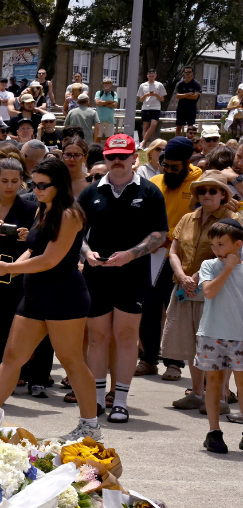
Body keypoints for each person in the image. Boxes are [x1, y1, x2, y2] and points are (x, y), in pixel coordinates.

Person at [0, 158, 102, 440]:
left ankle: (90, 426)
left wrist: (8, 269)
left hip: (65, 295)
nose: (35, 190)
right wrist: (1, 271)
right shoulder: (43, 208)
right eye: (33, 184)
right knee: (12, 358)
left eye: (42, 185)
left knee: (71, 361)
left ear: (59, 185)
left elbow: (50, 260)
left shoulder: (70, 214)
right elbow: (34, 251)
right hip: (35, 293)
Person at [79, 134, 170, 423]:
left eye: (123, 156)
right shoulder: (90, 192)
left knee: (126, 336)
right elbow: (76, 233)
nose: (117, 161)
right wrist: (87, 253)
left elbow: (159, 234)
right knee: (97, 338)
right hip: (97, 275)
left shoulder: (151, 192)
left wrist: (130, 254)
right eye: (111, 156)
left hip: (133, 275)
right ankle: (95, 399)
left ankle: (120, 400)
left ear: (135, 158)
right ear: (104, 158)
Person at [0, 157, 52, 391]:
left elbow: (40, 244)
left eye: (15, 181)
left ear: (22, 183)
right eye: (4, 180)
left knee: (13, 324)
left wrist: (27, 236)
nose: (9, 186)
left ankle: (22, 373)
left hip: (18, 272)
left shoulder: (32, 208)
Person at [159, 171, 237, 414]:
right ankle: (196, 393)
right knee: (192, 341)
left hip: (216, 291)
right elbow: (173, 250)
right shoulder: (187, 218)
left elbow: (231, 256)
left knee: (217, 342)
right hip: (185, 288)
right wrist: (182, 275)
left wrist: (195, 277)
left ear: (223, 194)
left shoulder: (233, 219)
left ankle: (222, 396)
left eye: (213, 190)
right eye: (201, 190)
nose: (206, 195)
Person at [140, 138, 205, 382]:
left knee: (174, 311)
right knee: (148, 307)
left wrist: (170, 242)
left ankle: (174, 363)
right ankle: (148, 359)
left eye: (173, 167)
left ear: (188, 163)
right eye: (164, 165)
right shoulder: (154, 182)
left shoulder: (200, 185)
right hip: (152, 256)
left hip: (183, 260)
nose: (167, 171)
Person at [198, 218, 243, 452]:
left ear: (238, 244)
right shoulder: (209, 265)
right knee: (214, 382)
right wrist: (227, 267)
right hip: (212, 333)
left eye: (222, 244)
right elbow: (210, 291)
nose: (216, 250)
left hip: (240, 335)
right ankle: (214, 432)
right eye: (213, 245)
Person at [139, 69, 166, 144]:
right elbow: (141, 99)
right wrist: (146, 95)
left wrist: (156, 95)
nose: (151, 77)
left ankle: (143, 141)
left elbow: (162, 99)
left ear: (155, 76)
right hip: (146, 107)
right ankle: (145, 144)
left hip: (156, 108)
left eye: (153, 75)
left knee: (153, 124)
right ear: (147, 76)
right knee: (145, 126)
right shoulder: (143, 85)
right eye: (150, 75)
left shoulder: (159, 85)